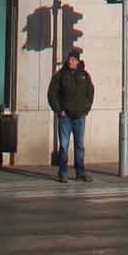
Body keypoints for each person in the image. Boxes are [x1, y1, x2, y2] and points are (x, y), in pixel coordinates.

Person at [47, 48, 95, 183]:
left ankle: (80, 172)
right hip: (65, 117)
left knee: (79, 145)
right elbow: (52, 94)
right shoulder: (60, 75)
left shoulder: (85, 75)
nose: (70, 61)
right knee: (64, 145)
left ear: (78, 61)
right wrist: (59, 110)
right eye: (69, 59)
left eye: (73, 59)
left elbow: (90, 92)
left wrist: (86, 108)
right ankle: (62, 172)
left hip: (80, 116)